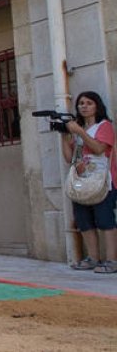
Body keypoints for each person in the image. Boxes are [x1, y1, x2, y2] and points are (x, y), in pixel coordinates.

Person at [60, 91, 116, 273]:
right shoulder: (77, 131)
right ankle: (92, 257)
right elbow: (71, 158)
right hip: (83, 181)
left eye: (89, 103)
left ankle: (112, 260)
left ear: (97, 106)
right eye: (81, 103)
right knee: (83, 220)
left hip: (102, 180)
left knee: (105, 220)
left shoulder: (104, 126)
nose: (84, 106)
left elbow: (100, 148)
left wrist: (80, 132)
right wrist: (64, 137)